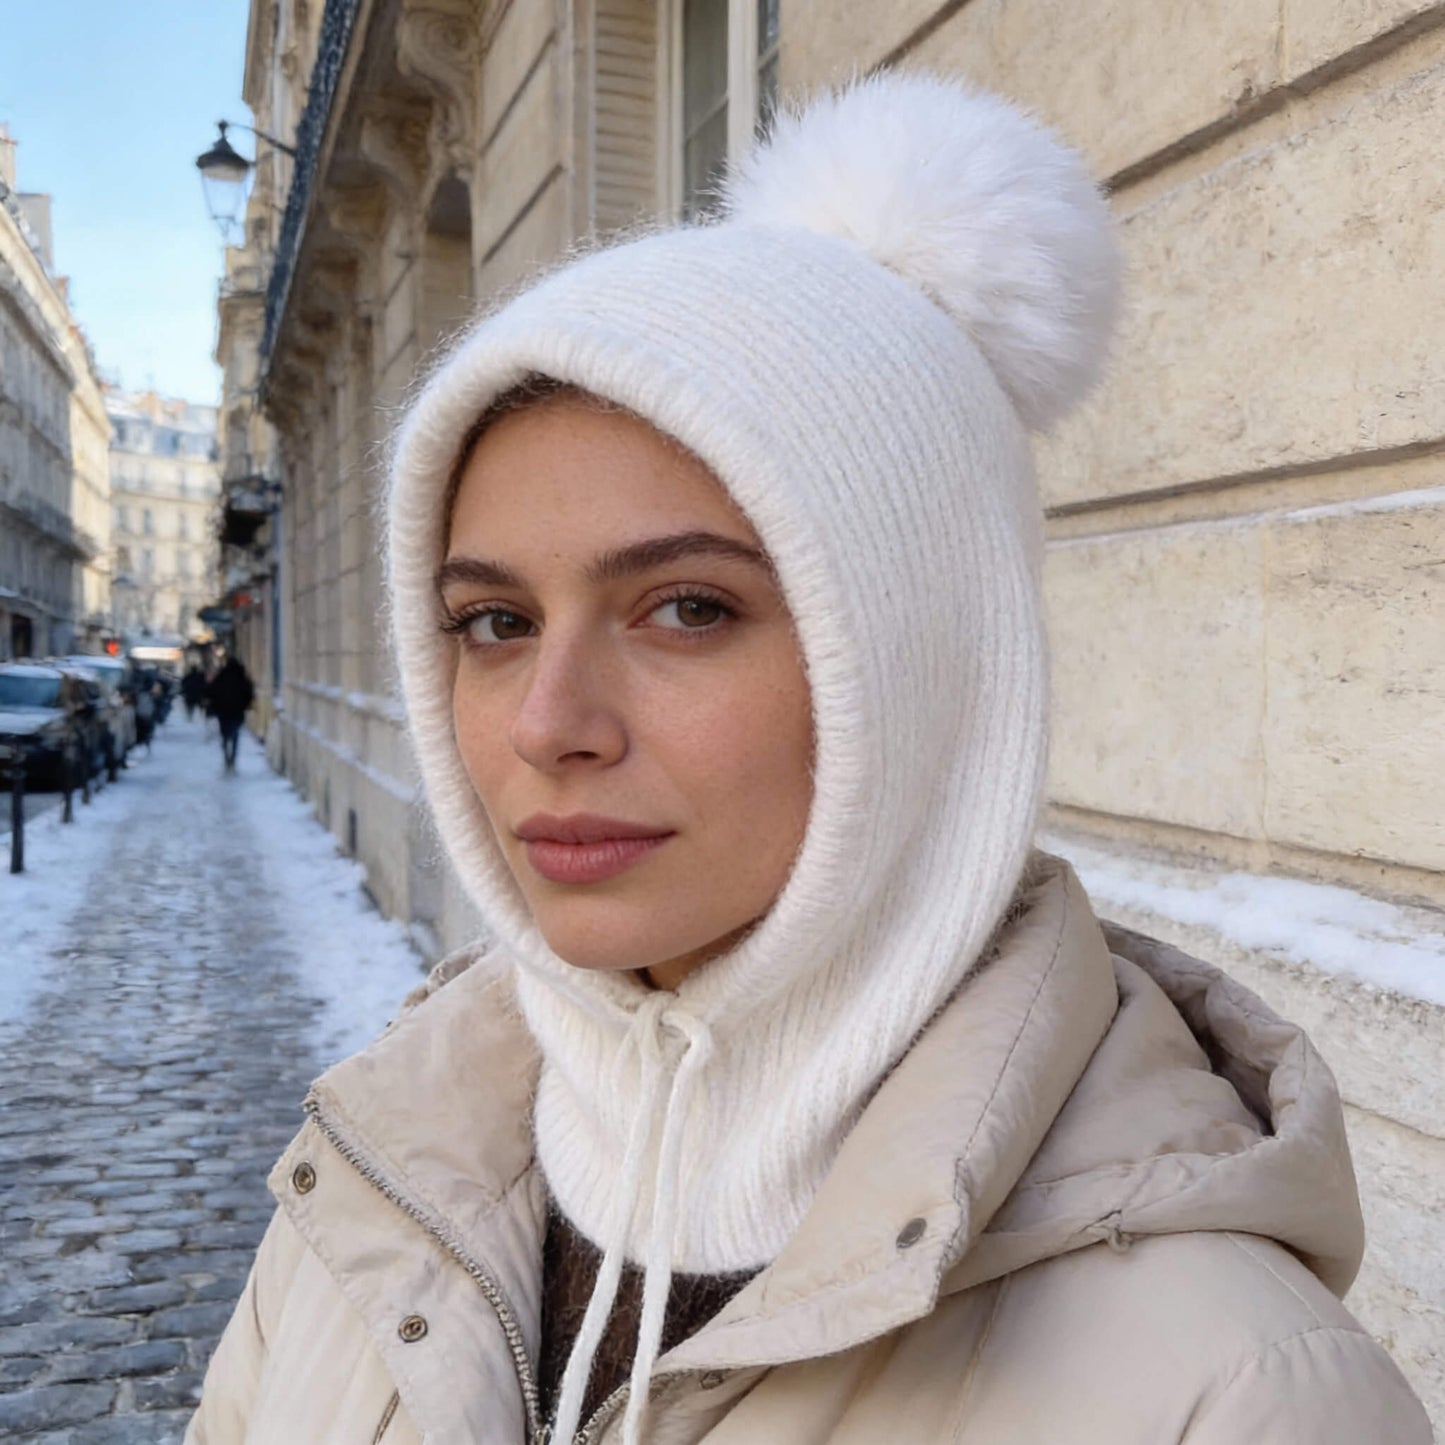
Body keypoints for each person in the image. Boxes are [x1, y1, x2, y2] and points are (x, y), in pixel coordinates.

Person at [186, 75, 1430, 1444]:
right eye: (494, 622)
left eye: (687, 608)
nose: (548, 722)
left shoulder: (1238, 1390)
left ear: (918, 663)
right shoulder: (378, 1172)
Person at [206, 656, 254, 772]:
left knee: (224, 733)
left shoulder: (221, 676)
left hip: (223, 711)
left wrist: (214, 705)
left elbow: (212, 691)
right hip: (237, 710)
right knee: (235, 733)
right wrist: (245, 704)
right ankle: (233, 756)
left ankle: (226, 753)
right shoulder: (242, 677)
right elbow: (248, 692)